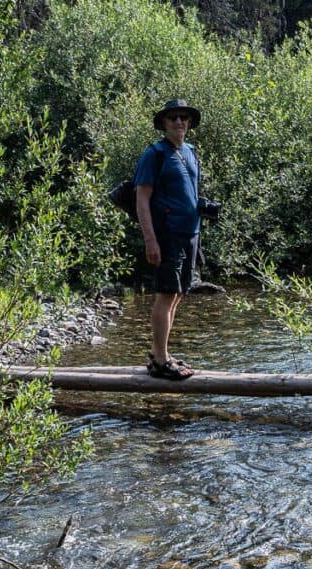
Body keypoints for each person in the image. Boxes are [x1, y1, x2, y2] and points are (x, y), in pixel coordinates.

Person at [134, 98, 203, 380]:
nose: (179, 122)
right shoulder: (155, 154)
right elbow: (142, 199)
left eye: (183, 118)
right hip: (168, 234)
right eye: (173, 118)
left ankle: (158, 353)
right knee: (165, 294)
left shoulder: (190, 152)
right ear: (164, 123)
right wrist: (150, 240)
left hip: (191, 233)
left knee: (177, 294)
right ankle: (161, 360)